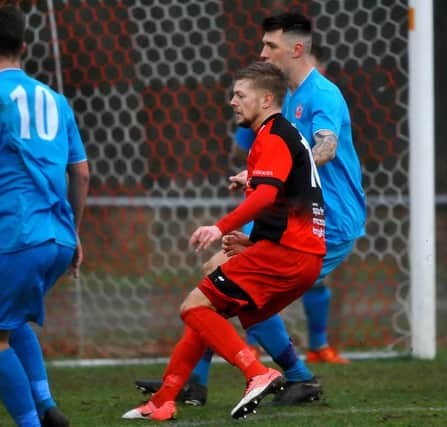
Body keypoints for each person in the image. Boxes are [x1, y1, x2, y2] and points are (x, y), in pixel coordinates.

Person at [134, 13, 366, 406]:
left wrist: (276, 169)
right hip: (287, 214)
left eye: (269, 46)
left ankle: (211, 380)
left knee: (226, 288)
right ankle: (273, 378)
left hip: (329, 220)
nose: (262, 52)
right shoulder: (282, 95)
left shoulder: (323, 94)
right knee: (221, 283)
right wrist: (258, 171)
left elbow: (325, 146)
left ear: (295, 49)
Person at [122, 60, 326, 421]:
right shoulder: (280, 134)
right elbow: (287, 201)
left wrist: (218, 228)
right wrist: (252, 244)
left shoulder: (275, 135)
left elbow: (265, 197)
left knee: (194, 306)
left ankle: (257, 373)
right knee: (207, 308)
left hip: (291, 254)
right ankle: (164, 401)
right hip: (295, 253)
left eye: (240, 94)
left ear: (265, 100)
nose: (232, 101)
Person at [0, 5, 89, 427]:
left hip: (16, 236)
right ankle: (46, 406)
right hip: (59, 239)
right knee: (11, 319)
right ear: (23, 47)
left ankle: (33, 422)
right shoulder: (58, 100)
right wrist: (74, 232)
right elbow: (81, 173)